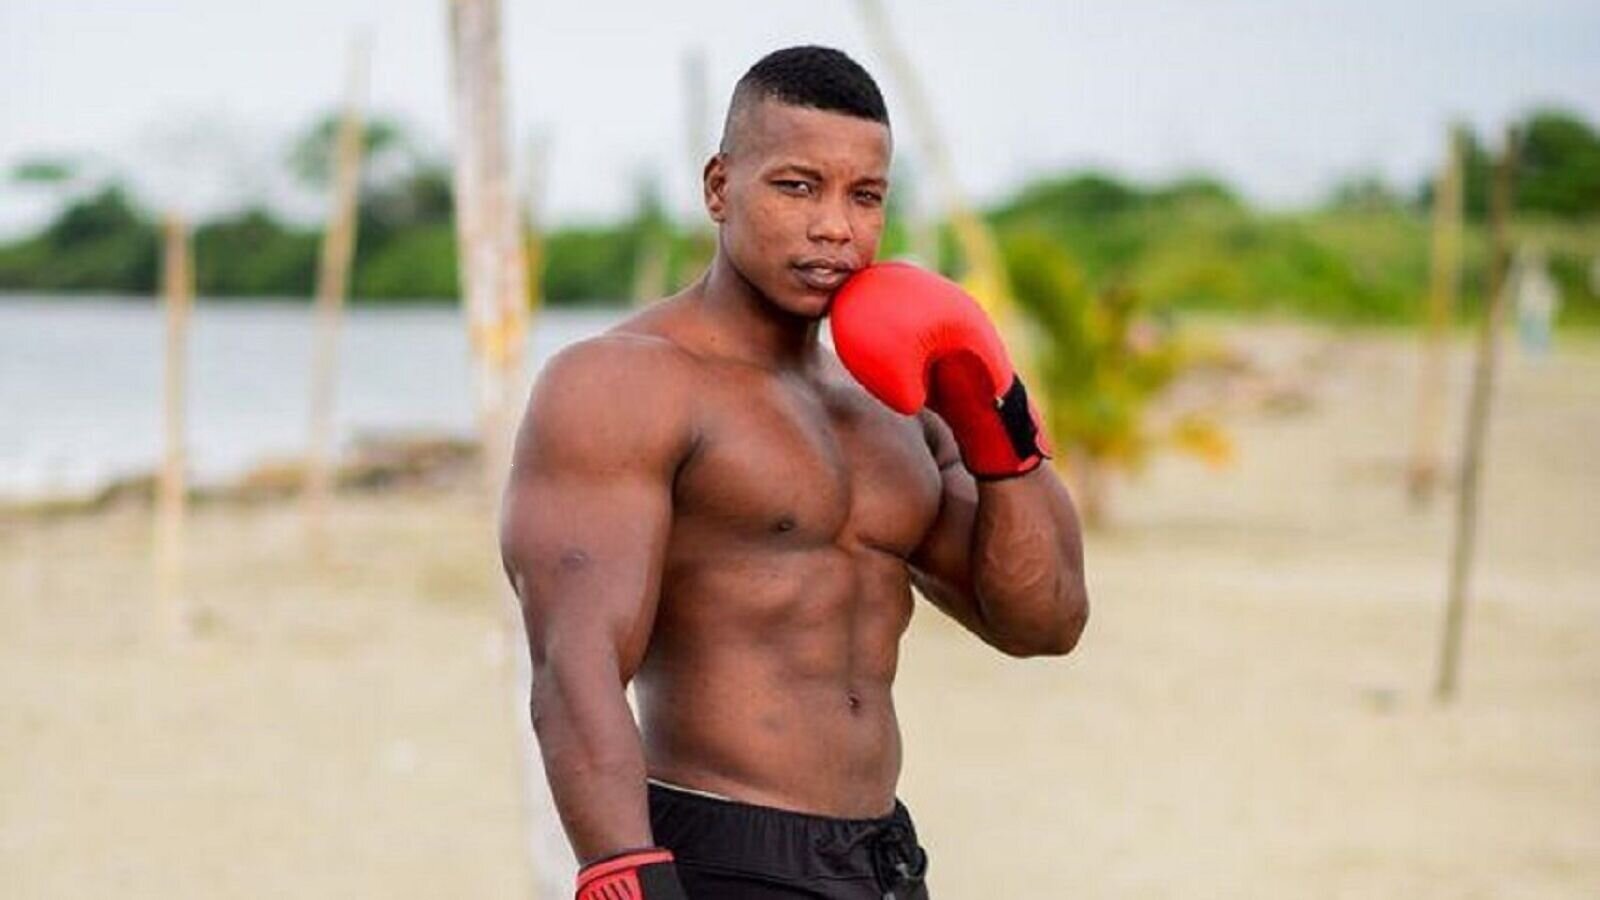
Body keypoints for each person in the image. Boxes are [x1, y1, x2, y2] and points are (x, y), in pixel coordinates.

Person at [499, 45, 1088, 900]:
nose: (835, 228)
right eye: (797, 186)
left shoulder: (900, 408)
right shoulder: (622, 383)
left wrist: (994, 418)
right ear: (719, 188)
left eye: (865, 196)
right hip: (720, 850)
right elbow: (573, 665)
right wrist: (621, 871)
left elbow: (1045, 621)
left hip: (881, 857)